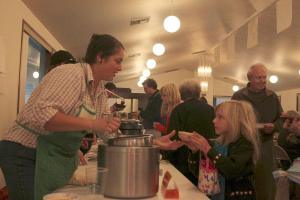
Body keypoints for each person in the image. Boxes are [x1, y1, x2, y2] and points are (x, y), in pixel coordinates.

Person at [0, 34, 182, 200]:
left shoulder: (100, 91)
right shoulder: (70, 74)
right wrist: (93, 123)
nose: (121, 67)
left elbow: (108, 134)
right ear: (100, 57)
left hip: (50, 155)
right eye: (117, 61)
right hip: (23, 152)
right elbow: (41, 115)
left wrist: (151, 143)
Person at [183, 100, 260, 200]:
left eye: (220, 117)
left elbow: (231, 170)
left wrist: (207, 149)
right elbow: (200, 175)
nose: (214, 120)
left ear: (234, 120)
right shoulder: (217, 144)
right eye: (216, 116)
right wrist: (194, 151)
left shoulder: (245, 144)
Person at [232, 63, 283, 200]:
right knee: (243, 185)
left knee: (266, 184)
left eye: (264, 77)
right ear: (249, 78)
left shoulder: (272, 96)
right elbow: (232, 119)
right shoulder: (238, 96)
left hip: (266, 146)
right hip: (244, 144)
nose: (262, 80)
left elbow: (281, 119)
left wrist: (274, 126)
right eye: (258, 77)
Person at [166, 80, 215, 185]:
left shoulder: (178, 110)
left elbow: (172, 135)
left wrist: (168, 158)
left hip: (184, 159)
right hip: (207, 157)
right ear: (198, 93)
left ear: (181, 94)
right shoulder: (210, 109)